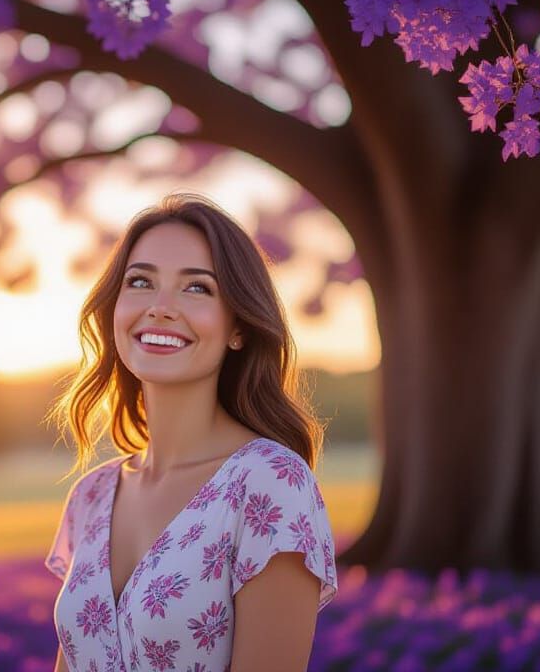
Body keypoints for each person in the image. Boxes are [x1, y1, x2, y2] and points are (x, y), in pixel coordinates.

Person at [44, 192, 338, 672]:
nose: (160, 308)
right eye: (140, 282)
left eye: (197, 288)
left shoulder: (270, 485)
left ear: (238, 327)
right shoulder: (91, 497)